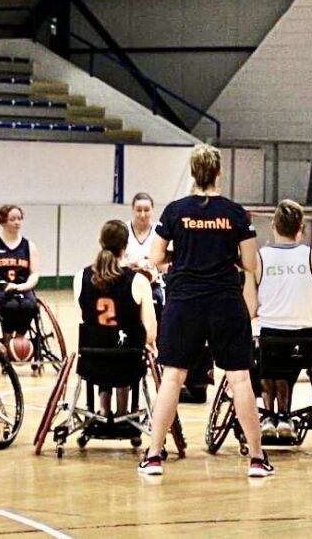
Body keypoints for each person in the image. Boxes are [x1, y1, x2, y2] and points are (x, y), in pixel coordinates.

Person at [142, 144, 270, 478]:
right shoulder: (235, 213)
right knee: (239, 377)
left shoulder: (174, 211)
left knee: (173, 376)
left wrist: (181, 258)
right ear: (219, 172)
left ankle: (153, 456)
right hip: (226, 301)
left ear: (192, 172)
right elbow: (250, 263)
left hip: (184, 302)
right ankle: (257, 459)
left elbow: (155, 259)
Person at [254, 199, 312, 440]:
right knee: (288, 361)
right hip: (304, 340)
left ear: (273, 225)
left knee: (268, 356)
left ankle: (268, 416)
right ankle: (285, 416)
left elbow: (251, 308)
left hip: (270, 336)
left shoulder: (259, 258)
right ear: (302, 228)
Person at [74, 220, 157, 417]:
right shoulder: (138, 281)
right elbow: (151, 334)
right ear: (126, 246)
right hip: (127, 361)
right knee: (124, 346)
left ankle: (103, 408)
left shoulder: (80, 278)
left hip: (91, 362)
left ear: (100, 242)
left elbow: (86, 320)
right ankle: (122, 411)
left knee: (104, 342)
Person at [0, 204, 41, 343]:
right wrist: (2, 284)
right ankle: (7, 339)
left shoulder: (29, 245)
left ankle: (20, 338)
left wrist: (27, 285)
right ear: (3, 221)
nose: (17, 222)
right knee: (10, 306)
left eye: (19, 218)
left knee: (29, 306)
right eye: (12, 219)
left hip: (22, 287)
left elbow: (34, 273)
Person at [124, 192, 165, 323]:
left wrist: (151, 262)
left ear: (152, 210)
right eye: (139, 210)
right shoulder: (123, 230)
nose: (142, 214)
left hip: (154, 285)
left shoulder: (160, 231)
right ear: (132, 210)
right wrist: (134, 263)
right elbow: (117, 261)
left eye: (146, 210)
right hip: (128, 283)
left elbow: (165, 265)